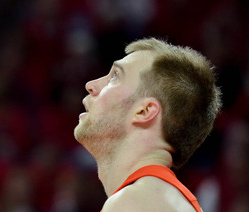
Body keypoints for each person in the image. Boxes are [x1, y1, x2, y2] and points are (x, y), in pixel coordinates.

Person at [74, 37, 222, 212]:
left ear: (144, 111)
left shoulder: (134, 202)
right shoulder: (157, 197)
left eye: (115, 76)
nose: (91, 85)